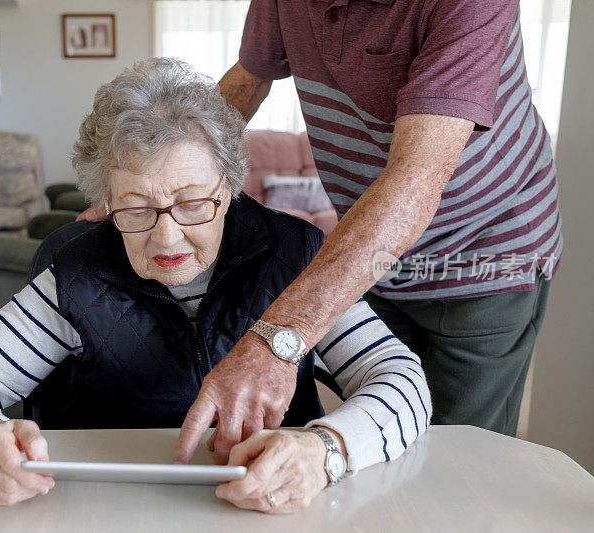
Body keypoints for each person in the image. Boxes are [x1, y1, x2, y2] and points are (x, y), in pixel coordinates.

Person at [0, 58, 431, 512]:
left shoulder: (294, 256)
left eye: (191, 203)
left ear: (229, 188)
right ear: (105, 202)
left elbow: (403, 380)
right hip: (110, 511)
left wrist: (327, 452)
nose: (166, 235)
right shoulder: (75, 274)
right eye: (136, 207)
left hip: (263, 511)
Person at [154, 0, 560, 462]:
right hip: (373, 254)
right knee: (381, 438)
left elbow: (415, 181)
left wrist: (276, 343)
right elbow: (246, 82)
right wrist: (154, 185)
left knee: (459, 460)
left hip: (485, 252)